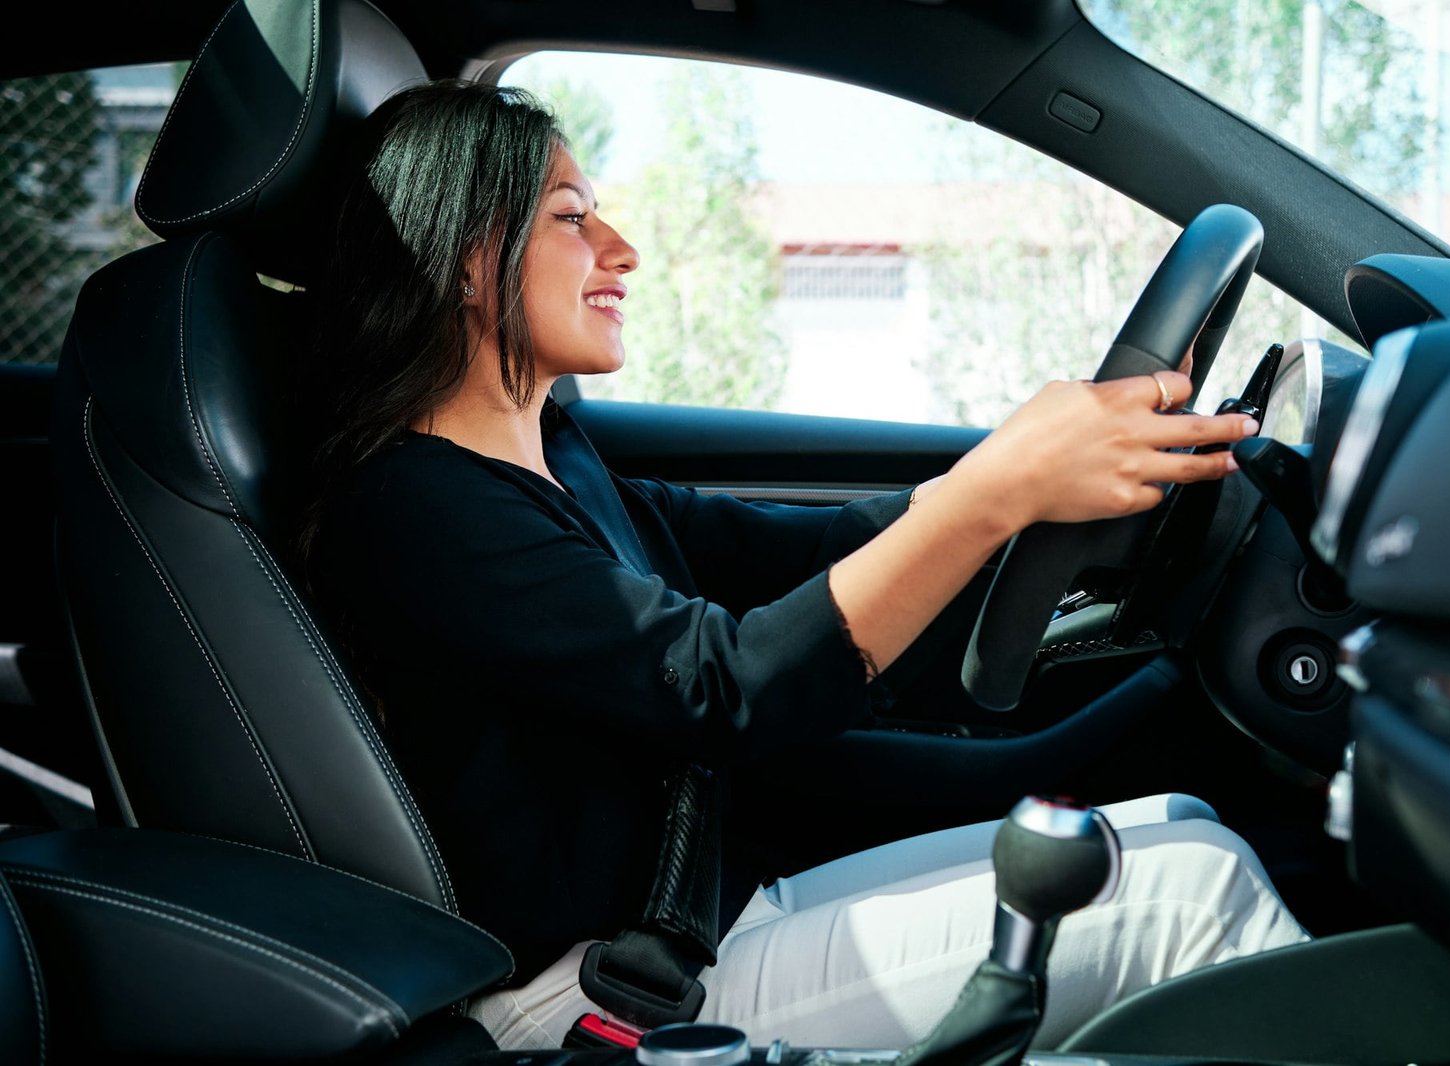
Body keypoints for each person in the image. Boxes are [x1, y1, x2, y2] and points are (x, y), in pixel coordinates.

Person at [306, 81, 1307, 1052]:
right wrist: (994, 490)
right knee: (1194, 893)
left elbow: (802, 554)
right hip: (598, 991)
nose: (624, 252)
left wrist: (1042, 490)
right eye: (573, 219)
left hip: (703, 917)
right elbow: (725, 682)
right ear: (466, 261)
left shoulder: (564, 465)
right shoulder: (413, 508)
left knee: (1178, 826)